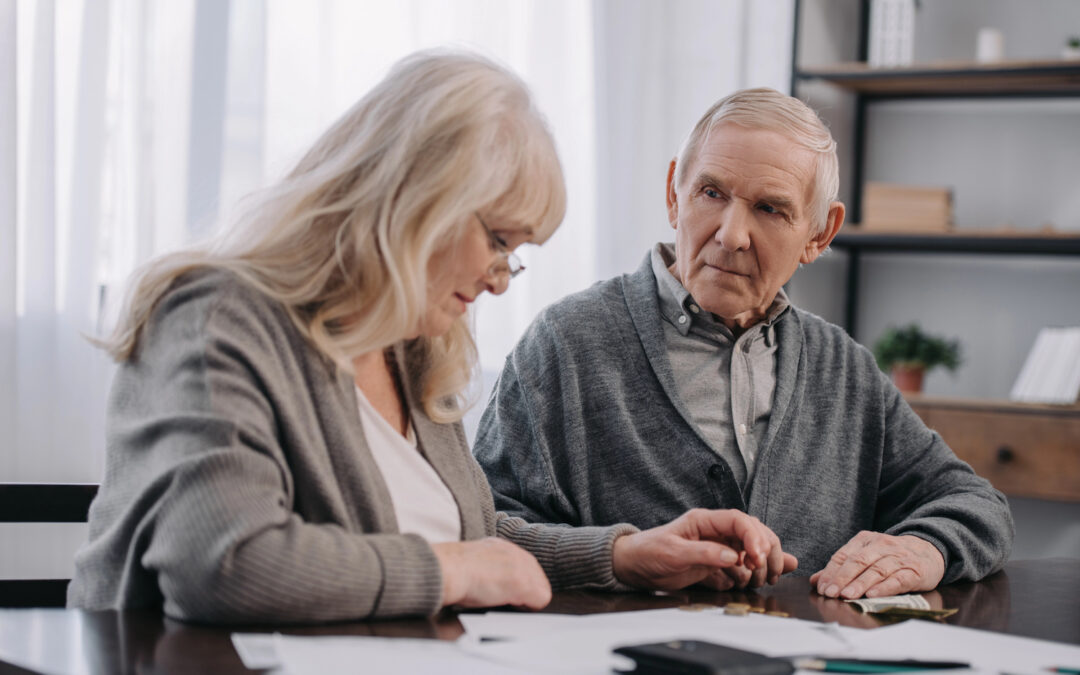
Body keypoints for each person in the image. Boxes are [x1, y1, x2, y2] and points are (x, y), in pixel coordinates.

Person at [67, 51, 796, 624]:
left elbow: (475, 537)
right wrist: (456, 574)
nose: (501, 278)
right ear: (415, 197)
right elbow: (225, 565)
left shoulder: (412, 347)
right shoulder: (216, 317)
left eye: (517, 252)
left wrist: (625, 553)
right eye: (497, 239)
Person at [474, 87, 1013, 600]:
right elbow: (481, 529)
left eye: (770, 209)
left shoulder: (843, 368)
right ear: (673, 194)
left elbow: (974, 503)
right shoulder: (565, 345)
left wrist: (925, 548)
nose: (732, 234)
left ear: (820, 234)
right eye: (712, 193)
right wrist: (618, 555)